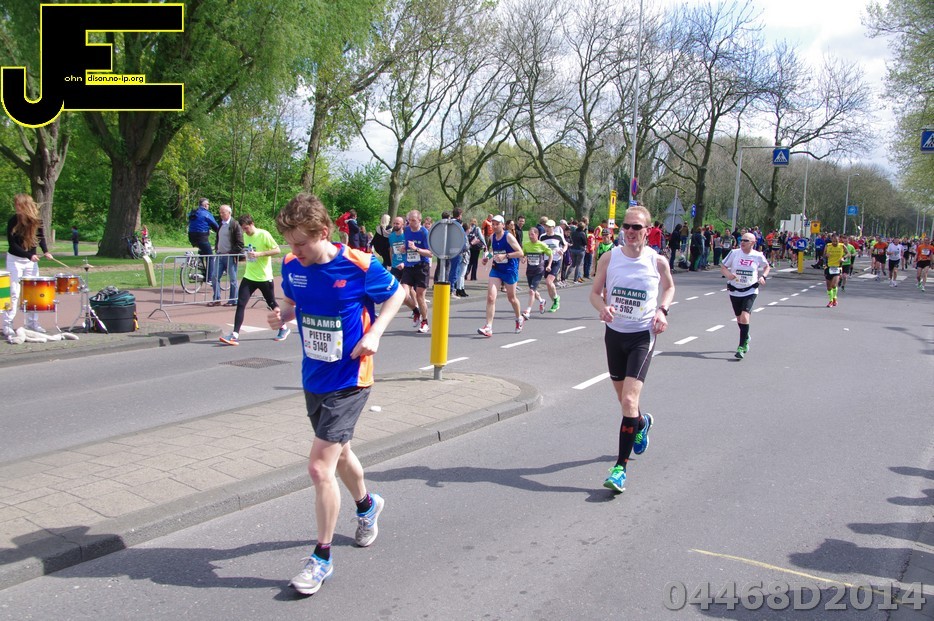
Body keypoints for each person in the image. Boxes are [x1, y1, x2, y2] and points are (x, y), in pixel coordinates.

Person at [267, 193, 404, 596]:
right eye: (290, 243)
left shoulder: (359, 264)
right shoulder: (292, 265)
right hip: (314, 376)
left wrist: (375, 333)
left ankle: (321, 559)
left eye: (301, 243)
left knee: (318, 467)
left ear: (323, 232)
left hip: (351, 378)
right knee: (340, 453)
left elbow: (396, 294)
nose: (294, 251)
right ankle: (367, 506)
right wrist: (282, 316)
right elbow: (293, 303)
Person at [589, 205, 674, 493]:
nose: (629, 231)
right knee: (624, 401)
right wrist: (603, 308)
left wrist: (662, 310)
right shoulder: (609, 258)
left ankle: (619, 469)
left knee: (628, 400)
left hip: (642, 336)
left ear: (647, 231)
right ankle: (641, 423)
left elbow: (670, 288)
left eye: (636, 227)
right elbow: (594, 293)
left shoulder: (657, 261)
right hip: (614, 335)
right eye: (626, 226)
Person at [219, 215, 285, 345]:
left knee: (272, 303)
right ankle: (235, 335)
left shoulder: (263, 234)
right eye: (243, 229)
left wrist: (259, 254)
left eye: (247, 228)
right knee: (241, 304)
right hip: (249, 276)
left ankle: (283, 327)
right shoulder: (245, 236)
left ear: (252, 224)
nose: (245, 231)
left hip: (264, 277)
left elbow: (277, 250)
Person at [3, 194, 54, 337]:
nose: (16, 207)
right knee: (14, 292)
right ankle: (7, 324)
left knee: (33, 293)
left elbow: (41, 238)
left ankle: (32, 323)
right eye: (16, 205)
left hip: (30, 262)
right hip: (15, 260)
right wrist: (29, 255)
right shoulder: (13, 220)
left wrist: (46, 251)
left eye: (18, 205)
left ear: (26, 206)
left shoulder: (37, 221)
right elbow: (12, 244)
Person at [720, 232, 770, 358]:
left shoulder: (757, 255)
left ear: (753, 243)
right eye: (741, 240)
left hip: (750, 290)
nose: (742, 242)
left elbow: (767, 267)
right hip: (734, 290)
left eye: (745, 240)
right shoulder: (734, 253)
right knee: (739, 319)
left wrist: (763, 277)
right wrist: (728, 275)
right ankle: (746, 336)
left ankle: (741, 347)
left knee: (744, 316)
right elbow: (723, 266)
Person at [477, 215, 525, 337]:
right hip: (497, 270)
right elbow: (494, 251)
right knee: (490, 297)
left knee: (511, 298)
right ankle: (488, 327)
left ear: (503, 225)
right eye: (493, 224)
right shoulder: (492, 237)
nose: (494, 226)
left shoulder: (508, 236)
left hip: (510, 270)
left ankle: (519, 318)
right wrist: (487, 258)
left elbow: (520, 253)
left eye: (497, 224)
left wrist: (506, 256)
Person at [402, 210, 431, 334]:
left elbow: (430, 253)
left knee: (420, 296)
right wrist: (404, 249)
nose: (410, 223)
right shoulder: (406, 230)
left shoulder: (424, 233)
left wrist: (416, 249)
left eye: (413, 220)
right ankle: (415, 311)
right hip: (409, 266)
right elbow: (406, 246)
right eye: (409, 220)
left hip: (422, 266)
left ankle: (425, 322)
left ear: (419, 220)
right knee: (403, 295)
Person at [387, 216, 419, 321]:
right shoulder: (391, 236)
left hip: (406, 265)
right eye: (394, 223)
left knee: (409, 288)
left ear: (403, 224)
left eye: (397, 223)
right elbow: (391, 250)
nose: (395, 225)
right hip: (395, 265)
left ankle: (416, 306)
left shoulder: (406, 235)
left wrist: (404, 263)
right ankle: (388, 310)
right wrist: (392, 262)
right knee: (392, 286)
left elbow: (411, 251)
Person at [211, 204, 243, 306]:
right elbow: (218, 238)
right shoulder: (221, 224)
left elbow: (240, 243)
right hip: (220, 255)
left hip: (230, 256)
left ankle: (233, 300)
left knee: (233, 279)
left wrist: (231, 253)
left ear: (229, 213)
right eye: (220, 212)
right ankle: (216, 299)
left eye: (223, 212)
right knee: (214, 276)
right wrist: (217, 248)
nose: (221, 214)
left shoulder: (235, 224)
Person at [521, 225, 553, 318]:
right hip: (529, 270)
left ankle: (528, 311)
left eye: (532, 234)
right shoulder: (526, 245)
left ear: (537, 234)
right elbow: (523, 254)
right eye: (529, 234)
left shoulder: (542, 245)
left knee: (531, 291)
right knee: (533, 290)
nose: (530, 236)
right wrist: (523, 258)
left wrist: (549, 265)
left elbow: (550, 254)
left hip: (539, 270)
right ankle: (542, 301)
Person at [539, 219, 566, 312]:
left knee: (549, 281)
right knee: (548, 284)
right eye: (546, 226)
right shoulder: (542, 237)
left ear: (553, 228)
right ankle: (555, 301)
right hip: (546, 261)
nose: (547, 228)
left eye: (549, 227)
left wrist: (562, 250)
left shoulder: (558, 236)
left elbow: (565, 245)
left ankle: (556, 299)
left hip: (556, 260)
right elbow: (540, 247)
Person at [822, 233, 849, 307]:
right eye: (833, 241)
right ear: (831, 240)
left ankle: (832, 300)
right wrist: (826, 255)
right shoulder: (828, 246)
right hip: (828, 267)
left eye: (836, 241)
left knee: (834, 285)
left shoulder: (842, 246)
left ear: (838, 240)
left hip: (837, 267)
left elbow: (848, 254)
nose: (835, 243)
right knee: (828, 287)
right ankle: (832, 299)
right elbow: (823, 255)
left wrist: (843, 258)